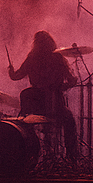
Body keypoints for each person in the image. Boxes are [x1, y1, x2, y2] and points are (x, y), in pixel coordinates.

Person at [8, 31, 78, 161]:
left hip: (35, 106)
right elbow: (71, 80)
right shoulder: (58, 58)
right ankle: (72, 158)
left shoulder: (32, 58)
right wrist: (66, 85)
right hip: (54, 103)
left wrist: (10, 71)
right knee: (70, 122)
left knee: (26, 124)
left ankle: (29, 154)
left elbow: (16, 76)